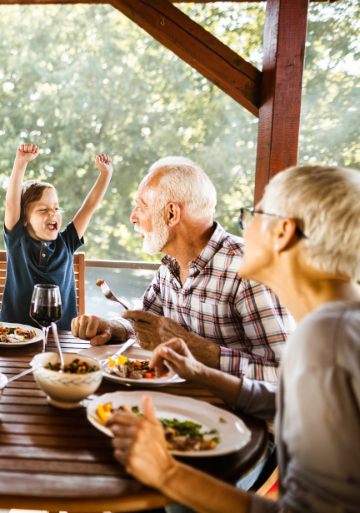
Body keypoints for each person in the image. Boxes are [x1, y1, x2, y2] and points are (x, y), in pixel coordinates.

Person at [107, 165, 360, 513]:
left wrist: (167, 474)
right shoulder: (339, 324)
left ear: (283, 232)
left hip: (254, 439)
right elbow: (289, 397)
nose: (242, 228)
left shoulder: (326, 336)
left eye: (252, 216)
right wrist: (201, 371)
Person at [72, 157, 293, 382]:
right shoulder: (170, 264)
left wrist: (194, 348)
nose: (133, 217)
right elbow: (144, 322)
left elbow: (284, 373)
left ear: (171, 214)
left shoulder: (252, 267)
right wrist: (110, 328)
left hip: (222, 404)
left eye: (141, 206)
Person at [0, 143, 113, 331]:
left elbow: (88, 209)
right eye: (43, 209)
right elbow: (12, 204)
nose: (52, 213)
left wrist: (105, 174)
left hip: (62, 336)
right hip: (15, 335)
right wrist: (21, 162)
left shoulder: (67, 242)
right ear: (24, 219)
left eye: (56, 208)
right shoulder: (17, 241)